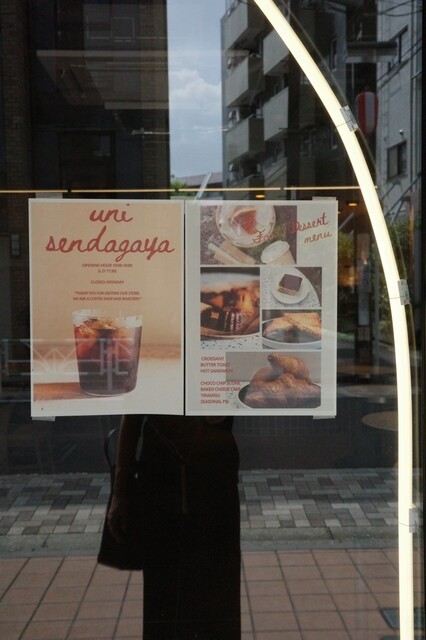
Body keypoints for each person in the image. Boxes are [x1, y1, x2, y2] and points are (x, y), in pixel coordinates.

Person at [107, 414, 241, 640]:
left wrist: (121, 490)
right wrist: (120, 490)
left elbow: (221, 413)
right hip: (164, 473)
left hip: (210, 471)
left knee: (217, 591)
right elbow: (131, 415)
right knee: (163, 593)